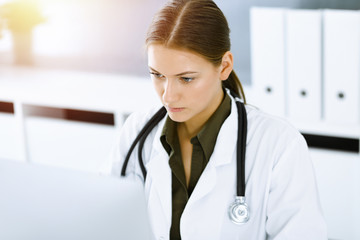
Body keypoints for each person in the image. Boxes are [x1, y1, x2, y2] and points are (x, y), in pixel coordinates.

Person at [110, 0, 327, 239]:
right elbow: (103, 217)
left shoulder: (278, 144)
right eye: (157, 75)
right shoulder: (137, 131)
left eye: (187, 78)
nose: (168, 95)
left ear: (224, 67)